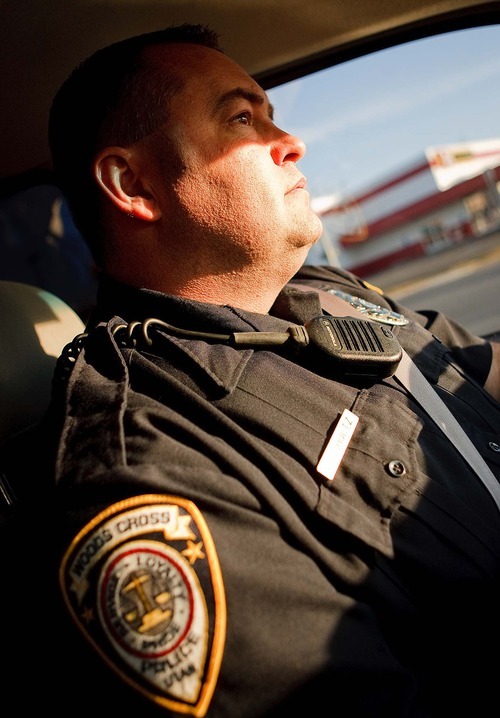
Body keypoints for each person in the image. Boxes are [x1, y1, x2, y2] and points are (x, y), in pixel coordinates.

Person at [43, 23, 500, 717]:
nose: (290, 143)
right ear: (132, 182)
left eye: (270, 116)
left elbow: (463, 365)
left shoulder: (325, 291)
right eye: (241, 119)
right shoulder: (148, 460)